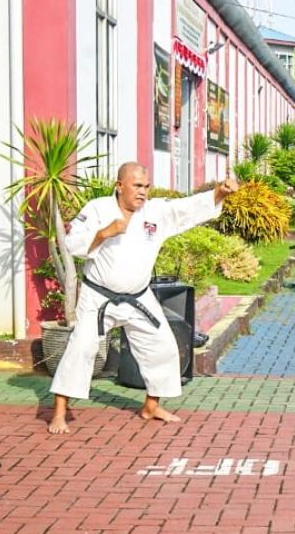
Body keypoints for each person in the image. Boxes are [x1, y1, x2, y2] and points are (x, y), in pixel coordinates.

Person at [48, 162, 239, 434]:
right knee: (81, 348)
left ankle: (151, 406)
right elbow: (73, 244)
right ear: (120, 185)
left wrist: (219, 194)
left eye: (146, 186)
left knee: (162, 347)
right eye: (137, 186)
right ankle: (59, 411)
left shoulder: (155, 212)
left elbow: (186, 209)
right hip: (98, 297)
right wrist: (104, 233)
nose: (143, 192)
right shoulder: (98, 209)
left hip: (138, 297)